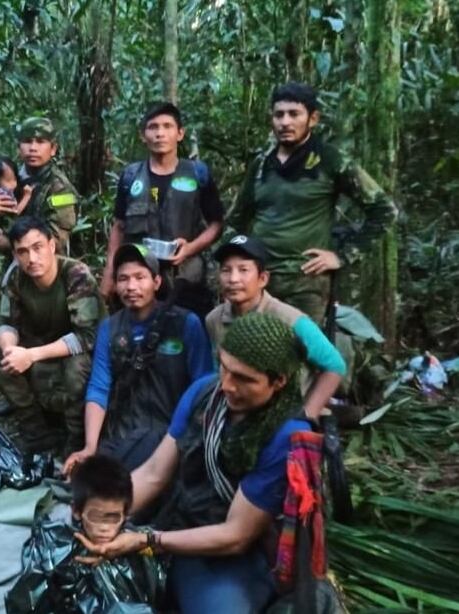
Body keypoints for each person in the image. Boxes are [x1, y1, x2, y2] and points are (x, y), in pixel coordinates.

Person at [75, 313, 313, 613]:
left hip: (231, 552)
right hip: (180, 519)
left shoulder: (286, 437)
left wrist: (145, 540)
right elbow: (153, 474)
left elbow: (236, 536)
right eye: (224, 368)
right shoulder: (204, 393)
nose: (226, 385)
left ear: (279, 381)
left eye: (243, 378)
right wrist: (101, 516)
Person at [230, 82, 397, 324]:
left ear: (313, 118)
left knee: (301, 355)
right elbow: (236, 220)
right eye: (279, 115)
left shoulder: (331, 160)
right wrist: (235, 266)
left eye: (294, 114)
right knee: (252, 352)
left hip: (306, 283)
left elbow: (384, 211)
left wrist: (342, 256)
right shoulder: (261, 164)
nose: (285, 122)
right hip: (260, 281)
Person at [63, 243, 213, 474]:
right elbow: (99, 387)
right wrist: (90, 447)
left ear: (156, 282)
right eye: (123, 278)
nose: (131, 286)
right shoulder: (110, 328)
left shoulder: (186, 323)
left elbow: (203, 386)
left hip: (171, 435)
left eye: (140, 277)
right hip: (123, 434)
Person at [0, 217, 103, 456]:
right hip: (36, 345)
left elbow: (86, 336)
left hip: (75, 350)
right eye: (23, 252)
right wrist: (10, 351)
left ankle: (76, 439)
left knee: (77, 367)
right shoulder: (16, 277)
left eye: (37, 247)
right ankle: (36, 432)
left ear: (51, 245)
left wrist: (30, 355)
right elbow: (6, 324)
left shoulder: (75, 275)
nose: (31, 258)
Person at [100, 102, 224, 318]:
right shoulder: (131, 177)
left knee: (186, 336)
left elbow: (216, 224)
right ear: (143, 135)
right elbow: (119, 226)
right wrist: (110, 271)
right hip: (139, 280)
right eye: (153, 127)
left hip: (185, 278)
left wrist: (190, 248)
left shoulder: (197, 174)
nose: (160, 133)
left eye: (167, 126)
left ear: (180, 133)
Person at [206, 234, 346, 418]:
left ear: (262, 278)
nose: (233, 279)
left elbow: (334, 366)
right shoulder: (214, 319)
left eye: (243, 270)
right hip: (238, 410)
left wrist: (308, 414)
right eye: (226, 270)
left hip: (284, 414)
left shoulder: (289, 319)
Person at [5, 454, 166, 613]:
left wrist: (143, 542)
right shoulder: (56, 549)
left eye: (113, 518)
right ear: (77, 511)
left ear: (125, 514)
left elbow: (160, 549)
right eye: (95, 517)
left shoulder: (136, 543)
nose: (104, 528)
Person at [0, 118, 78, 255]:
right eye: (27, 141)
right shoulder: (7, 176)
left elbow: (56, 240)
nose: (33, 148)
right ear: (18, 148)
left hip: (46, 268)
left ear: (53, 149)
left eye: (40, 142)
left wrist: (11, 244)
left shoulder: (61, 189)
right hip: (14, 268)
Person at [0, 157, 34, 253]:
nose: (13, 184)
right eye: (8, 181)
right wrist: (27, 196)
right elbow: (16, 211)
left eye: (14, 179)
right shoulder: (3, 194)